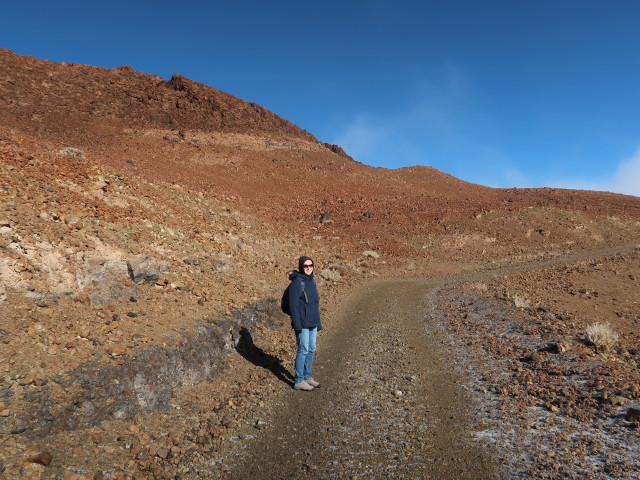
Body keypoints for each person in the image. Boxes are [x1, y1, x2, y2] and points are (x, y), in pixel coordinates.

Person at [289, 256, 322, 391]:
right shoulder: (297, 283)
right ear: (301, 267)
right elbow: (293, 306)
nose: (308, 268)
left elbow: (314, 304)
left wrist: (318, 322)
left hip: (312, 321)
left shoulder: (311, 281)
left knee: (311, 349)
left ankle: (308, 377)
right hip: (302, 323)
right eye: (305, 266)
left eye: (311, 265)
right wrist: (296, 323)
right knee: (303, 349)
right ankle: (299, 380)